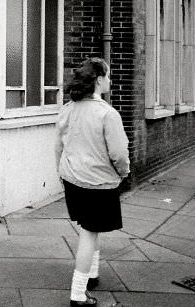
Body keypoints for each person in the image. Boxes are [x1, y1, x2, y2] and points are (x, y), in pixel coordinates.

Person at [54, 58, 130, 306]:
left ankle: (92, 274)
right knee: (89, 233)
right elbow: (119, 154)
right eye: (108, 76)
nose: (110, 80)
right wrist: (123, 173)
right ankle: (78, 294)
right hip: (98, 183)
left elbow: (58, 146)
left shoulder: (68, 108)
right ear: (99, 80)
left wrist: (62, 172)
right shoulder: (107, 114)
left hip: (72, 179)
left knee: (90, 228)